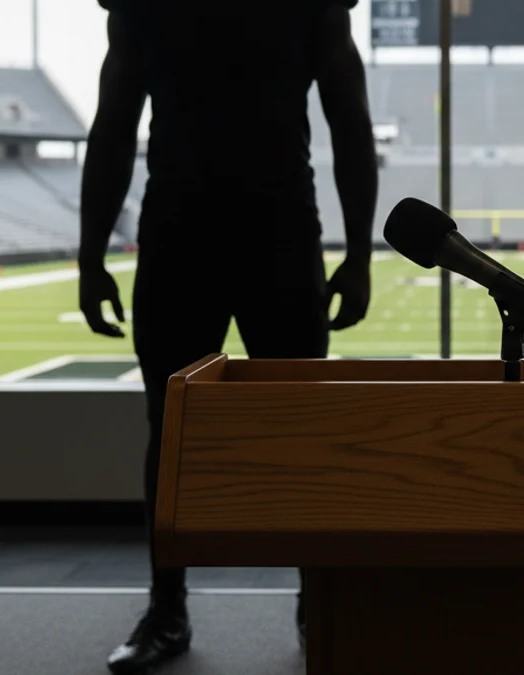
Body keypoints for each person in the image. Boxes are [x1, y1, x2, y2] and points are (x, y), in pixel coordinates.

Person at [77, 1, 378, 673]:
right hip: (193, 234)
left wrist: (360, 254)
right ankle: (168, 606)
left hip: (270, 234)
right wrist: (89, 256)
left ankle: (311, 599)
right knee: (171, 427)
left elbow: (350, 119)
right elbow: (115, 121)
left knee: (299, 430)